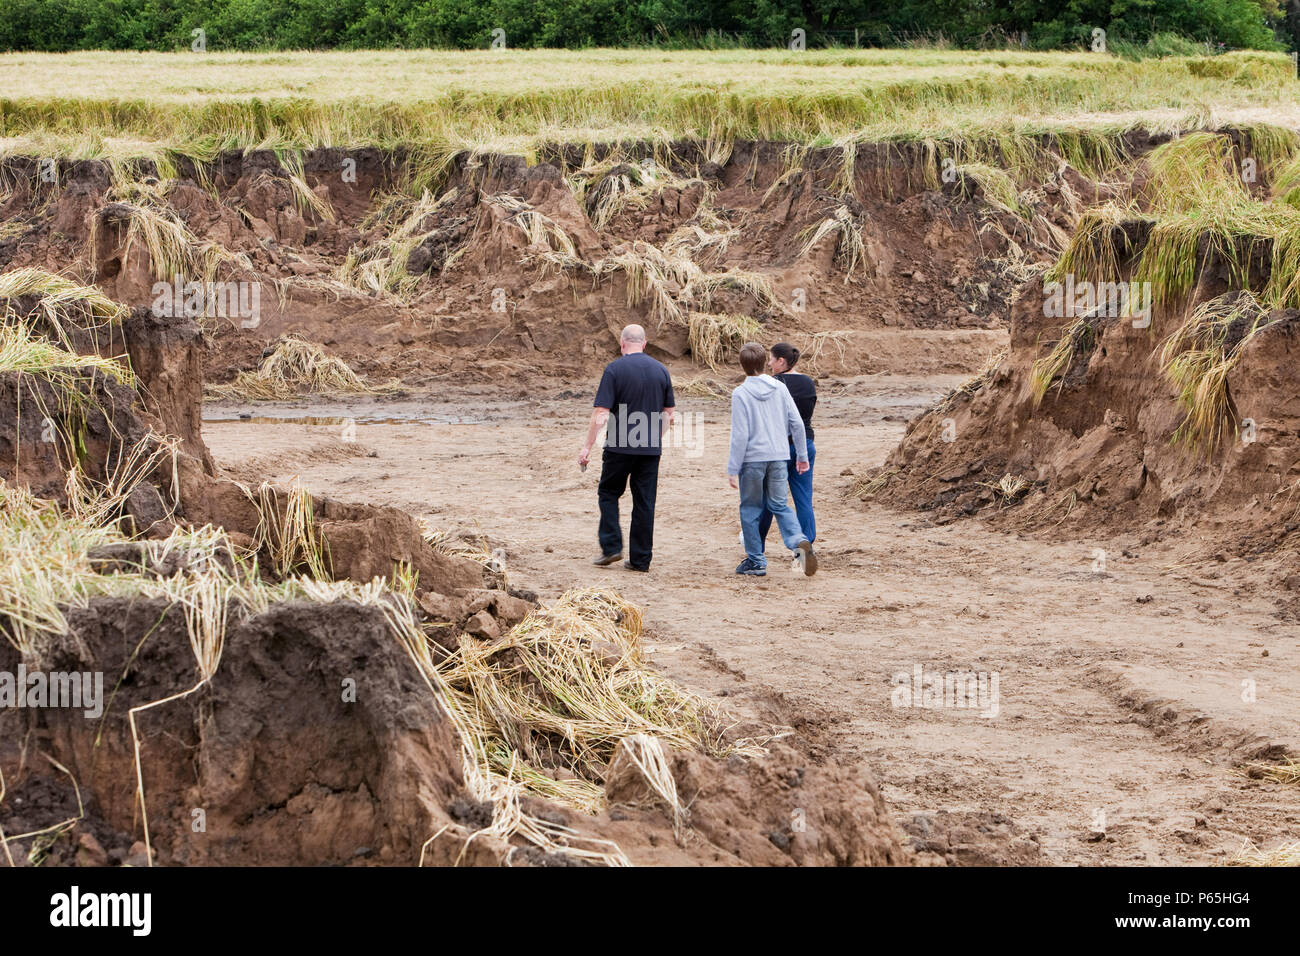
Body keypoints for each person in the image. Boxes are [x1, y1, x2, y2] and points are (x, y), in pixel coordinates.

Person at [578, 324, 675, 572]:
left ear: (622, 344)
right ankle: (641, 560)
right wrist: (656, 437)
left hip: (619, 446)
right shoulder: (661, 370)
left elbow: (601, 413)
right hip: (650, 448)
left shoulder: (614, 369)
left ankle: (611, 547)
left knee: (609, 493)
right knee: (645, 502)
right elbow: (669, 415)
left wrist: (587, 446)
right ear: (644, 343)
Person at [727, 342, 818, 577]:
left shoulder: (740, 393)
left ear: (743, 365)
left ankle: (756, 561)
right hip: (779, 455)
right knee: (780, 504)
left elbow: (740, 435)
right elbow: (797, 424)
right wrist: (801, 455)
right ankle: (799, 541)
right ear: (763, 363)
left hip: (753, 459)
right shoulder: (779, 388)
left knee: (751, 508)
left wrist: (733, 467)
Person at [758, 341, 817, 552]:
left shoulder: (773, 384)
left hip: (779, 448)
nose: (770, 364)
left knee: (768, 499)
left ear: (781, 361)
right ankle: (806, 544)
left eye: (772, 360)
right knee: (803, 498)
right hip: (805, 446)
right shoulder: (809, 383)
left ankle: (757, 545)